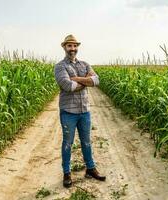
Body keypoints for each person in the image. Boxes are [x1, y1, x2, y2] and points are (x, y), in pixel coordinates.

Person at [54, 34, 106, 188]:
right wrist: (86, 81)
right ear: (64, 47)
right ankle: (67, 173)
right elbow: (67, 86)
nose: (73, 49)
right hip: (68, 112)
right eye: (69, 46)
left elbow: (96, 81)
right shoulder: (60, 66)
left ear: (77, 47)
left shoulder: (85, 64)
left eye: (75, 46)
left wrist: (76, 79)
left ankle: (90, 169)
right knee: (68, 143)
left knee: (87, 141)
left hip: (84, 111)